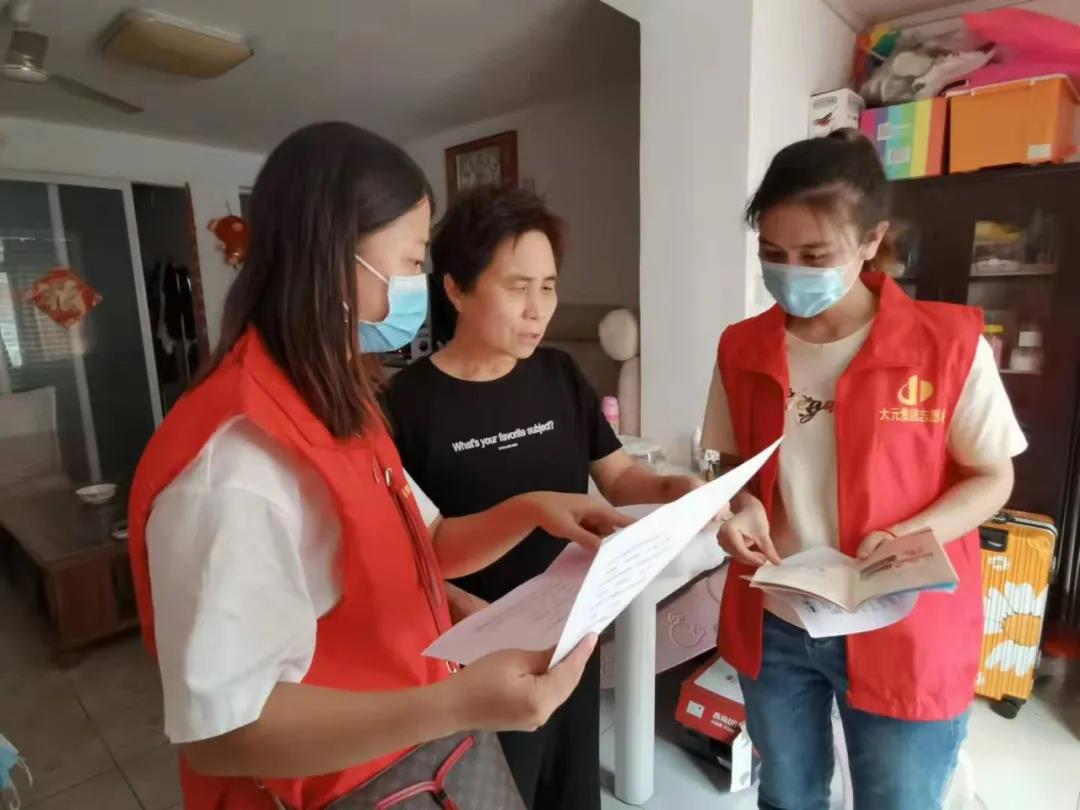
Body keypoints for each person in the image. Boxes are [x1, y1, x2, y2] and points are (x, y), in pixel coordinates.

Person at [127, 122, 635, 810]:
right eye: (411, 261)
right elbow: (225, 731)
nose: (419, 287)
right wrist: (455, 703)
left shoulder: (337, 400)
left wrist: (530, 511)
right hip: (338, 785)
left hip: (418, 754)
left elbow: (425, 543)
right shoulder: (234, 466)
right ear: (333, 258)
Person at [702, 129, 1027, 810]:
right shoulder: (742, 347)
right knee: (788, 797)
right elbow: (731, 466)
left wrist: (912, 532)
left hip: (904, 621)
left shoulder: (945, 345)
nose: (791, 272)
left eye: (815, 255)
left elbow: (991, 477)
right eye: (772, 254)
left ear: (871, 240)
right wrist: (741, 508)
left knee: (898, 799)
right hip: (780, 615)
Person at [384, 185, 708, 810]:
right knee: (500, 794)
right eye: (517, 287)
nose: (538, 310)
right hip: (476, 660)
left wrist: (678, 489)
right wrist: (457, 608)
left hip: (569, 633)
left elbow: (621, 480)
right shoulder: (407, 405)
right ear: (456, 289)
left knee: (572, 793)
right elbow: (406, 550)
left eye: (549, 286)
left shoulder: (558, 375)